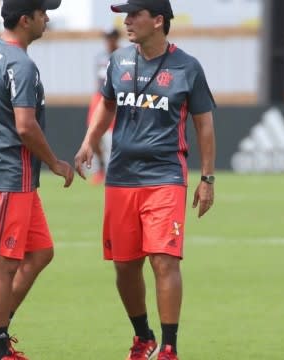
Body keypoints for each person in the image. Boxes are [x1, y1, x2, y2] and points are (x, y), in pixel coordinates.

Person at [74, 0, 216, 359]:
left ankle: (169, 347)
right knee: (124, 266)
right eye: (125, 14)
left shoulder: (188, 67)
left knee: (164, 260)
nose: (127, 21)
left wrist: (208, 178)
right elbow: (107, 103)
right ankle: (143, 337)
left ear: (158, 20)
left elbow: (204, 125)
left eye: (134, 14)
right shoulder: (118, 61)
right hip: (121, 178)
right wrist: (90, 139)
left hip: (166, 176)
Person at [0, 0, 73, 359]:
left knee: (41, 252)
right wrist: (56, 163)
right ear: (25, 19)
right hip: (8, 174)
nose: (48, 17)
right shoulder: (21, 64)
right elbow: (25, 126)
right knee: (4, 261)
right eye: (43, 12)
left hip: (13, 176)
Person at [86, 27, 120, 185]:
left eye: (111, 37)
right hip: (99, 97)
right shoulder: (100, 57)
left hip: (116, 98)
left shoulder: (123, 56)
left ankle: (115, 169)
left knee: (115, 137)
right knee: (93, 133)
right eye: (106, 37)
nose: (108, 41)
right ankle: (100, 167)